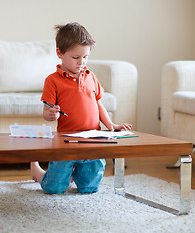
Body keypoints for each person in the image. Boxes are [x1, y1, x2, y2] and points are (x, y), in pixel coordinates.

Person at [30, 22, 132, 194]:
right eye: (76, 58)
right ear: (59, 53)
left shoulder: (91, 76)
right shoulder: (53, 81)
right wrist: (51, 114)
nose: (81, 62)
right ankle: (38, 171)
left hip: (92, 140)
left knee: (89, 188)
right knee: (54, 188)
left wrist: (111, 125)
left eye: (85, 57)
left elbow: (98, 104)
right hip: (66, 141)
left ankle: (72, 171)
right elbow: (46, 113)